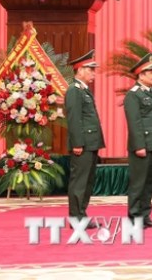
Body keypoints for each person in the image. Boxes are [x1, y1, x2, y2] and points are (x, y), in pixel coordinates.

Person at [64, 50, 105, 228]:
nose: (93, 73)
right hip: (83, 144)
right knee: (79, 182)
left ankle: (81, 214)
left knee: (87, 182)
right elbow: (74, 119)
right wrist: (78, 143)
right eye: (90, 69)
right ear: (80, 70)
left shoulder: (83, 90)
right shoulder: (74, 90)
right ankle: (76, 218)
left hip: (91, 142)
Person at [123, 54, 152, 228]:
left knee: (149, 182)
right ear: (140, 75)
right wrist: (139, 145)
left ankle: (145, 215)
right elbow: (134, 123)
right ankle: (134, 217)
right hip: (142, 145)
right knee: (138, 183)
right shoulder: (133, 95)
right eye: (151, 72)